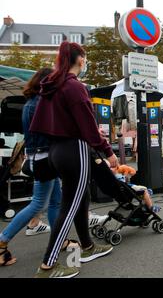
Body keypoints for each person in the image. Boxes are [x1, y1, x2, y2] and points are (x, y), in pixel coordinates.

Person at [30, 41, 118, 278]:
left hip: (57, 150)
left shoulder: (52, 86)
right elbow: (88, 126)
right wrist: (109, 153)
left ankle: (87, 246)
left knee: (81, 197)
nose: (85, 62)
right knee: (69, 206)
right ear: (80, 59)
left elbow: (45, 123)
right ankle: (47, 265)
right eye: (85, 58)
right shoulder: (74, 87)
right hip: (74, 149)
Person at [0, 68, 77, 267]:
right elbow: (52, 132)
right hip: (44, 159)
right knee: (38, 204)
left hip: (38, 157)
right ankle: (2, 240)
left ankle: (59, 241)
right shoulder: (41, 104)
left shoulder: (29, 104)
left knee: (54, 203)